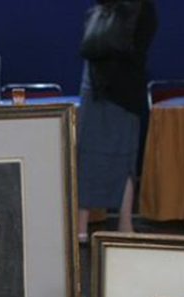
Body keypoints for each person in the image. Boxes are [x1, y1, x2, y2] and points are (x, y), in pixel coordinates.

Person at [76, 0, 157, 240]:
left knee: (88, 156)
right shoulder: (143, 9)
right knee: (125, 158)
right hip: (125, 91)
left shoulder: (101, 9)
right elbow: (139, 50)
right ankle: (124, 225)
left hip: (95, 87)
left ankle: (81, 227)